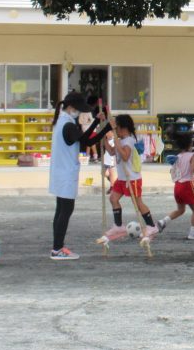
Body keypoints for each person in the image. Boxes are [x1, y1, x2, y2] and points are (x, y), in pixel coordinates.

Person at [49, 91, 107, 261]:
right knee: (66, 210)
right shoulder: (67, 125)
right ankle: (57, 249)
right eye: (79, 109)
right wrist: (106, 128)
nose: (79, 112)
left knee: (61, 210)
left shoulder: (62, 121)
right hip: (66, 172)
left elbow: (83, 137)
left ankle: (56, 247)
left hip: (61, 171)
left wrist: (97, 121)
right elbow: (86, 142)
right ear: (72, 107)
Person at [98, 115, 159, 246]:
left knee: (137, 203)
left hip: (132, 178)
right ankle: (118, 225)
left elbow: (125, 156)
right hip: (121, 178)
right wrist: (105, 140)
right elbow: (112, 152)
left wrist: (115, 139)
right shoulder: (122, 140)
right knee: (113, 199)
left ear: (122, 128)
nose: (115, 131)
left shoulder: (129, 140)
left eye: (116, 128)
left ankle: (151, 226)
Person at [157, 131, 194, 240]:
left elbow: (173, 171)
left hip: (178, 186)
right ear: (189, 145)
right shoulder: (193, 155)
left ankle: (163, 221)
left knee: (180, 210)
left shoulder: (177, 156)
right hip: (187, 185)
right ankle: (193, 233)